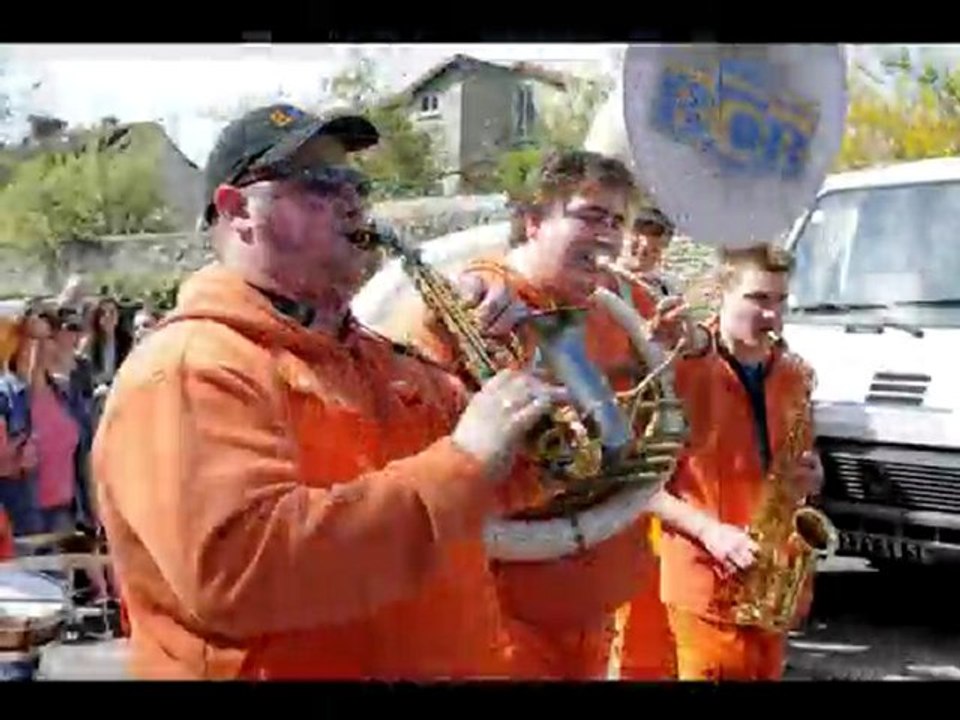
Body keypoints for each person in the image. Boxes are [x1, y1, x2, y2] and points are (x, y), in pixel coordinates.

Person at [91, 103, 565, 680]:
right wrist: (465, 463)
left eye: (356, 182)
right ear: (236, 210)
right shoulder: (190, 369)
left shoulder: (386, 361)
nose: (352, 199)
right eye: (319, 181)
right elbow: (242, 573)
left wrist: (528, 367)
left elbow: (520, 481)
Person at [398, 150, 683, 680]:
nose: (609, 236)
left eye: (617, 222)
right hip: (501, 614)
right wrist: (475, 290)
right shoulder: (477, 304)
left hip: (590, 604)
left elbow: (663, 436)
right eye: (589, 216)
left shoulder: (613, 314)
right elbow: (417, 460)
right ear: (533, 221)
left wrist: (684, 350)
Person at [651, 243, 824, 681]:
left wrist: (812, 475)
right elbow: (640, 489)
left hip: (772, 582)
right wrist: (710, 532)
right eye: (758, 299)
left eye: (781, 300)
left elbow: (799, 463)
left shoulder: (795, 375)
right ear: (722, 293)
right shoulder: (681, 372)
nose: (773, 316)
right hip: (706, 580)